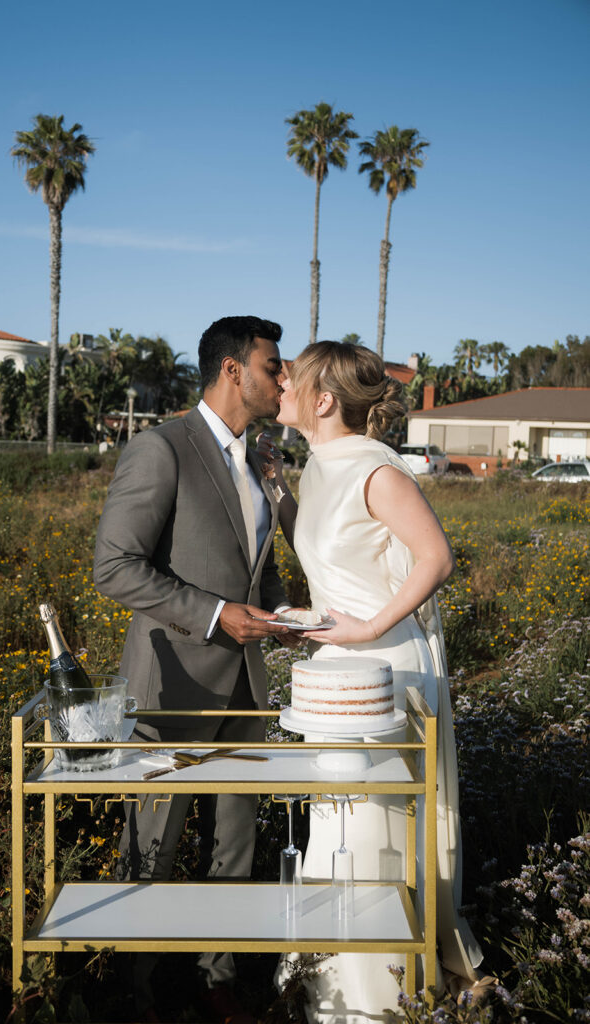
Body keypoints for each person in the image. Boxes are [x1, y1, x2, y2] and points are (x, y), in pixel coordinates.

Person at [259, 341, 484, 1023]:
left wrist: (368, 626)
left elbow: (435, 557)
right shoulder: (322, 465)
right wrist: (279, 494)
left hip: (384, 667)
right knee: (335, 825)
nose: (279, 388)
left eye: (290, 380)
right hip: (339, 670)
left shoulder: (376, 471)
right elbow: (334, 548)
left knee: (370, 831)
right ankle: (331, 992)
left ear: (323, 401)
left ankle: (382, 998)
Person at [93, 315, 296, 1024]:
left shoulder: (262, 456)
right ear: (233, 370)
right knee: (153, 841)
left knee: (235, 841)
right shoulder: (161, 448)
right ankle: (137, 993)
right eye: (275, 365)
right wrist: (214, 615)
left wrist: (281, 615)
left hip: (247, 683)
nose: (285, 378)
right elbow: (113, 567)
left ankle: (217, 981)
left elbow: (252, 564)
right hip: (171, 684)